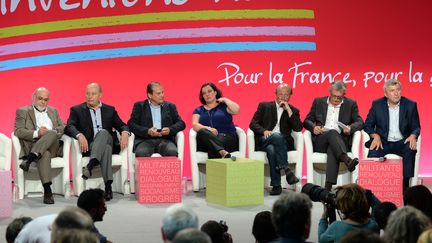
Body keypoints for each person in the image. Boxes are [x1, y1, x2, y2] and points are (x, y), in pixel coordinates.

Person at [65, 83, 129, 201]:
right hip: (90, 146)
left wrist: (125, 132)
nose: (90, 96)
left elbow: (122, 125)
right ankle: (108, 187)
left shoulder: (109, 110)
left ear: (100, 95)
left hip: (108, 140)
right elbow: (69, 127)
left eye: (93, 94)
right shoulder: (77, 110)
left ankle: (91, 164)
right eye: (87, 94)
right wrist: (79, 135)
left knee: (104, 133)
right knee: (106, 149)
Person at [304, 81, 363, 191]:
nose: (336, 99)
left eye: (339, 97)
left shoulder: (350, 104)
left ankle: (327, 187)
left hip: (339, 142)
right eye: (334, 96)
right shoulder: (318, 102)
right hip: (321, 140)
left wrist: (350, 128)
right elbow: (307, 120)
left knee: (333, 147)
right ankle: (346, 159)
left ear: (343, 95)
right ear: (329, 93)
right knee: (331, 132)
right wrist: (313, 127)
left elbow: (360, 122)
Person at [364, 79, 420, 192]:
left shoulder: (410, 105)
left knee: (410, 148)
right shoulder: (377, 105)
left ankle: (405, 185)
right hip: (383, 141)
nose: (396, 93)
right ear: (386, 94)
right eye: (392, 91)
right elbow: (368, 125)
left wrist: (413, 135)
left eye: (398, 90)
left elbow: (416, 126)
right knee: (374, 151)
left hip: (402, 141)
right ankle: (374, 188)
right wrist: (375, 135)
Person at [14, 87, 65, 204]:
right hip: (34, 145)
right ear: (33, 98)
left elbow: (63, 127)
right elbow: (18, 131)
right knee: (44, 154)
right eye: (40, 98)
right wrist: (37, 133)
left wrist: (50, 132)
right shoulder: (22, 111)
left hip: (53, 146)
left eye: (46, 100)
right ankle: (48, 190)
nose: (43, 102)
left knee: (52, 132)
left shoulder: (54, 111)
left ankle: (30, 159)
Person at [249, 83, 302, 195]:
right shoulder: (264, 106)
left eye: (286, 94)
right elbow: (253, 124)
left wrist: (288, 110)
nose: (283, 97)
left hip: (282, 143)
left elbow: (298, 128)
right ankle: (286, 169)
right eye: (280, 94)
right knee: (276, 137)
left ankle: (276, 185)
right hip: (265, 139)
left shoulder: (293, 110)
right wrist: (264, 131)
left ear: (290, 96)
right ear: (276, 94)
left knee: (272, 150)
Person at [128, 81, 185, 157]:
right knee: (141, 153)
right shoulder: (139, 106)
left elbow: (181, 123)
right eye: (158, 93)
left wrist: (170, 130)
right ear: (150, 95)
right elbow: (131, 124)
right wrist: (147, 131)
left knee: (172, 152)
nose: (162, 95)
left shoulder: (170, 106)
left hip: (165, 140)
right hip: (145, 140)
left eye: (162, 92)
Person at [192, 82, 239, 159]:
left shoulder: (224, 107)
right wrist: (209, 129)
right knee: (202, 131)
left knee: (212, 148)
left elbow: (237, 110)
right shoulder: (198, 110)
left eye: (209, 91)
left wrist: (224, 99)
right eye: (204, 93)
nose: (207, 94)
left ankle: (219, 151)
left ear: (215, 93)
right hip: (207, 138)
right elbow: (195, 125)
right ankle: (221, 151)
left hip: (227, 138)